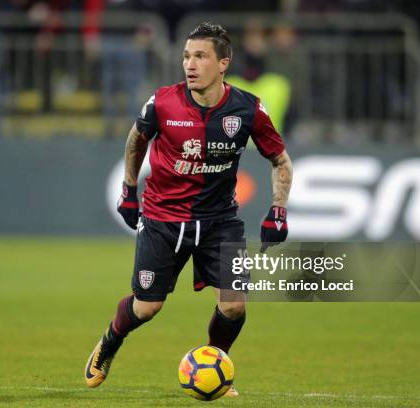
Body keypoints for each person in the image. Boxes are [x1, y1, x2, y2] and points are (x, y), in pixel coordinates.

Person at [84, 21, 293, 397]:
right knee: (147, 307)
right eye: (186, 56)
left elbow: (280, 160)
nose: (190, 64)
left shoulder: (248, 110)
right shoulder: (163, 102)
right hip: (164, 218)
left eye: (200, 56)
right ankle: (110, 342)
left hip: (220, 222)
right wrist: (129, 189)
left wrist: (278, 211)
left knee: (233, 307)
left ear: (223, 63)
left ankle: (217, 363)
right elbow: (136, 141)